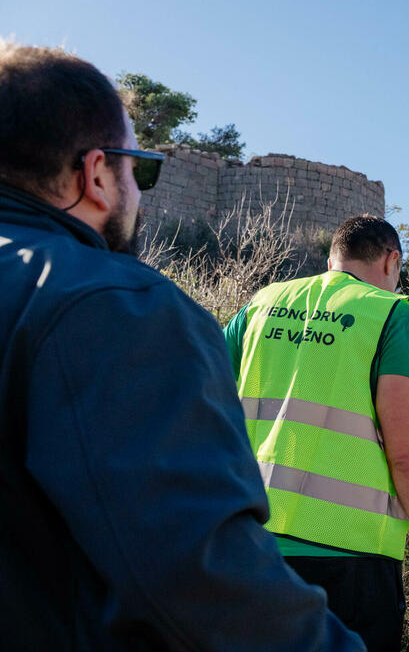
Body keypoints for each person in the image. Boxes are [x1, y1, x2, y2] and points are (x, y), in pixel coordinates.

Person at [0, 43, 364, 650]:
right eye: (140, 169)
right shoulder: (115, 307)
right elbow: (202, 586)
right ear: (96, 174)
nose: (142, 193)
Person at [225, 215, 409, 652]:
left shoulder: (259, 304)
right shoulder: (392, 313)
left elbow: (200, 408)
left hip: (247, 551)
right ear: (391, 261)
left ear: (332, 259)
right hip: (351, 565)